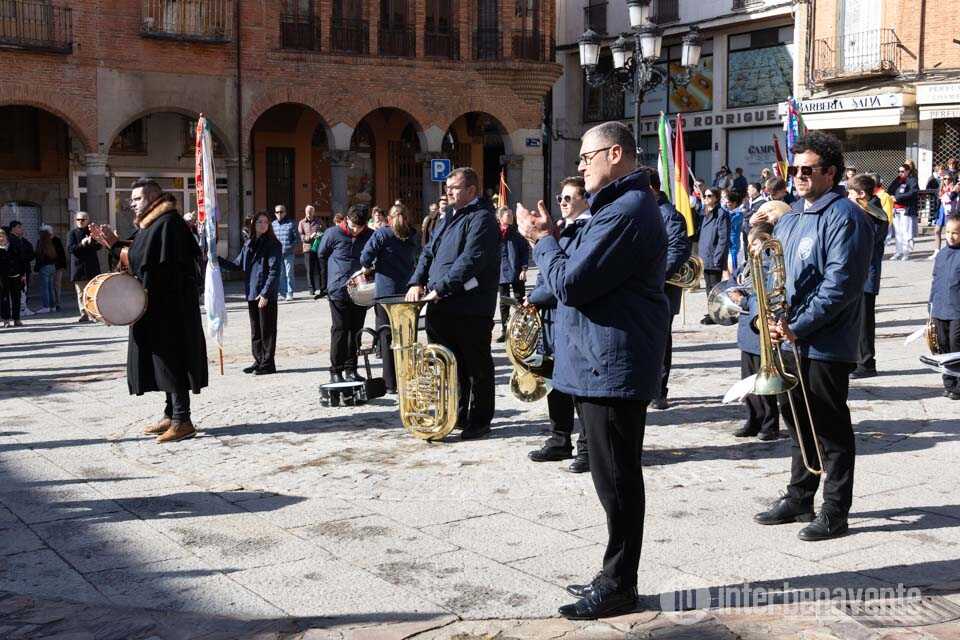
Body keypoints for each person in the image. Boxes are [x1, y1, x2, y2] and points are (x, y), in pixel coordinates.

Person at [516, 121, 669, 620]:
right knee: (610, 477)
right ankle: (613, 572)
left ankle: (621, 583)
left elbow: (571, 283)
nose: (580, 167)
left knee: (618, 480)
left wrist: (542, 242)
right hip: (599, 357)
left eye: (587, 157)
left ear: (616, 153)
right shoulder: (614, 208)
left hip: (613, 360)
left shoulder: (625, 210)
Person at [754, 131, 872, 541]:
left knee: (829, 427)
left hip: (824, 343)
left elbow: (840, 286)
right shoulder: (792, 216)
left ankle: (836, 510)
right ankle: (800, 496)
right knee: (798, 423)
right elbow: (775, 275)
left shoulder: (846, 217)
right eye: (795, 169)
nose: (799, 176)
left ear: (831, 173)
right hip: (790, 339)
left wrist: (797, 324)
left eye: (808, 170)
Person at [89, 179, 208, 443]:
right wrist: (116, 244)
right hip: (157, 307)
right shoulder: (153, 225)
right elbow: (139, 255)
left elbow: (143, 259)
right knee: (160, 360)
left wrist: (115, 246)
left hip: (171, 309)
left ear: (154, 198)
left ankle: (182, 420)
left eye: (138, 199)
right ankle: (170, 414)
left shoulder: (168, 223)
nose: (132, 204)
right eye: (131, 200)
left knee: (171, 359)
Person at [406, 167, 500, 441]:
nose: (448, 192)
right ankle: (455, 413)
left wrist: (440, 287)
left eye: (455, 187)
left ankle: (480, 420)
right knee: (449, 366)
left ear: (472, 190)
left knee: (476, 367)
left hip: (470, 307)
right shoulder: (448, 216)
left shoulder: (482, 218)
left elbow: (471, 260)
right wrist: (417, 281)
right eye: (447, 187)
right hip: (441, 305)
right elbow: (428, 252)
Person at [527, 176, 592, 473]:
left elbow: (564, 278)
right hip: (552, 320)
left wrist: (535, 297)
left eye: (568, 198)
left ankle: (587, 448)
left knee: (579, 387)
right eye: (560, 199)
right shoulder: (562, 230)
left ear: (584, 198)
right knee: (555, 382)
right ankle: (559, 438)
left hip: (569, 315)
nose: (563, 203)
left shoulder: (587, 229)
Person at [733, 217, 784, 441]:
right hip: (746, 328)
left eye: (755, 243)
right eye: (750, 243)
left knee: (764, 379)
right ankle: (753, 418)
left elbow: (762, 295)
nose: (751, 247)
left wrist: (743, 301)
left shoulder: (769, 264)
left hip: (760, 326)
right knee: (749, 380)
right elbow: (741, 284)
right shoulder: (748, 264)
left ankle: (770, 423)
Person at [360, 202, 419, 394]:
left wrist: (373, 264)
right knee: (407, 336)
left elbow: (364, 258)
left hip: (386, 292)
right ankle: (408, 377)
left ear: (389, 218)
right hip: (407, 291)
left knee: (386, 337)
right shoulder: (413, 234)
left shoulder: (382, 234)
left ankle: (390, 383)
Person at [645, 169, 691, 411]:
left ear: (652, 188)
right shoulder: (646, 213)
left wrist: (655, 277)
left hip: (661, 289)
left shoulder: (669, 215)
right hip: (643, 289)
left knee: (661, 342)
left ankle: (659, 391)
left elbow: (679, 249)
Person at [218, 211, 282, 375]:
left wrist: (266, 293)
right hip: (252, 292)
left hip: (265, 293)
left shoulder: (273, 244)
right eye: (260, 222)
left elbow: (274, 271)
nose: (263, 225)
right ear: (253, 224)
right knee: (256, 330)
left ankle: (268, 364)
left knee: (267, 329)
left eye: (266, 222)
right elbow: (237, 265)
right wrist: (216, 259)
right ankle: (259, 359)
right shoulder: (249, 244)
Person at [317, 204, 374, 382]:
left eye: (361, 226)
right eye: (354, 225)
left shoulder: (370, 235)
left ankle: (351, 369)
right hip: (338, 291)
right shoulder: (333, 233)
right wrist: (328, 282)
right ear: (347, 220)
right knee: (340, 330)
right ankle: (336, 371)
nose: (357, 230)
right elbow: (321, 254)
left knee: (355, 330)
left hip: (361, 291)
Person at [847, 174, 889, 379]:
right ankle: (856, 360)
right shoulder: (865, 211)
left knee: (864, 322)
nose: (848, 196)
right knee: (855, 321)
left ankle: (866, 363)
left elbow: (867, 242)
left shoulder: (874, 214)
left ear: (862, 194)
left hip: (866, 276)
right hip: (858, 274)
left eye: (851, 193)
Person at [929, 214, 960, 400]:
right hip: (940, 308)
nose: (950, 236)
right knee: (942, 346)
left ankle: (958, 386)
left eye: (956, 233)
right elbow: (935, 280)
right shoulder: (941, 254)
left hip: (957, 310)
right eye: (948, 232)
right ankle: (948, 383)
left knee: (956, 344)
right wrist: (930, 305)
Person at [496, 206, 529, 342]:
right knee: (504, 303)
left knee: (519, 300)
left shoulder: (517, 233)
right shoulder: (494, 233)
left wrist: (524, 269)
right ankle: (505, 331)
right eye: (508, 215)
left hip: (516, 270)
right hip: (501, 272)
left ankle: (521, 330)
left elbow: (524, 251)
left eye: (511, 215)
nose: (511, 217)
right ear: (500, 217)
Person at [698, 187, 730, 324]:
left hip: (714, 256)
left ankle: (716, 314)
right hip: (705, 256)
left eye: (709, 196)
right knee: (708, 287)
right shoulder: (706, 212)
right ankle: (711, 312)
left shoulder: (721, 214)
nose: (706, 198)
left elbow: (723, 238)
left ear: (716, 197)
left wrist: (718, 257)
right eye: (705, 196)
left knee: (715, 287)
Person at [67, 211, 101, 323]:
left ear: (88, 220)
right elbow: (71, 249)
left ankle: (93, 314)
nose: (80, 222)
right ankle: (84, 314)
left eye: (83, 220)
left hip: (91, 266)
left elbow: (99, 247)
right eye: (78, 220)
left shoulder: (92, 232)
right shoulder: (72, 233)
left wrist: (94, 240)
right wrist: (82, 244)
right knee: (81, 293)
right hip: (78, 267)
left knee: (92, 292)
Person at [887, 162, 919, 261]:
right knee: (897, 232)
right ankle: (898, 251)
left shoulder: (912, 180)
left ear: (908, 171)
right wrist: (891, 196)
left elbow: (913, 192)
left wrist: (898, 197)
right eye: (899, 171)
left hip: (906, 209)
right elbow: (890, 190)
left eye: (902, 171)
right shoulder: (897, 180)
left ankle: (906, 252)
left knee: (906, 231)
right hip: (896, 209)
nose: (900, 173)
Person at [272, 204, 301, 300]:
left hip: (288, 254)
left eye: (281, 212)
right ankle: (283, 292)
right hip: (277, 254)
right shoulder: (273, 225)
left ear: (285, 213)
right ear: (275, 213)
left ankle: (290, 292)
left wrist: (290, 248)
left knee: (289, 273)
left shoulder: (291, 223)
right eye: (277, 212)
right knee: (280, 274)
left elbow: (297, 239)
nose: (279, 214)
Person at [6, 221, 34, 319]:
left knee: (18, 294)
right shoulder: (11, 240)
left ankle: (16, 316)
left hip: (19, 270)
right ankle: (15, 315)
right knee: (15, 295)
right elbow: (18, 257)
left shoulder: (20, 240)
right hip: (14, 272)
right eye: (19, 227)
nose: (21, 229)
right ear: (13, 228)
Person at [33, 226, 63, 313]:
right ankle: (52, 306)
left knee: (44, 288)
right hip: (52, 266)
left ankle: (46, 306)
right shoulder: (51, 242)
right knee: (50, 287)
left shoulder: (41, 242)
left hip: (44, 267)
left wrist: (37, 267)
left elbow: (39, 256)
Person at [298, 205, 325, 298]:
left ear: (314, 212)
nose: (309, 213)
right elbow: (301, 236)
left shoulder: (319, 221)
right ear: (305, 212)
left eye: (311, 211)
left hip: (319, 248)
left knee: (321, 269)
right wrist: (309, 237)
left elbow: (325, 232)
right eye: (307, 211)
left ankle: (323, 289)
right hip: (308, 249)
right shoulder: (302, 223)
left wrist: (319, 235)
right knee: (310, 270)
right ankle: (311, 289)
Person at [723, 189, 744, 275]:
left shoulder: (738, 214)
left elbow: (730, 222)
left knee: (733, 260)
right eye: (726, 203)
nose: (727, 205)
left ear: (735, 203)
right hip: (725, 239)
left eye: (729, 203)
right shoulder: (728, 212)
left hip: (734, 241)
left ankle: (735, 276)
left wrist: (724, 209)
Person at [0, 229, 18, 328]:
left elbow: (19, 259)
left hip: (14, 275)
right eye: (0, 236)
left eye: (3, 236)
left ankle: (16, 318)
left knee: (16, 298)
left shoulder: (12, 246)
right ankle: (6, 320)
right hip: (2, 278)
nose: (1, 238)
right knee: (4, 299)